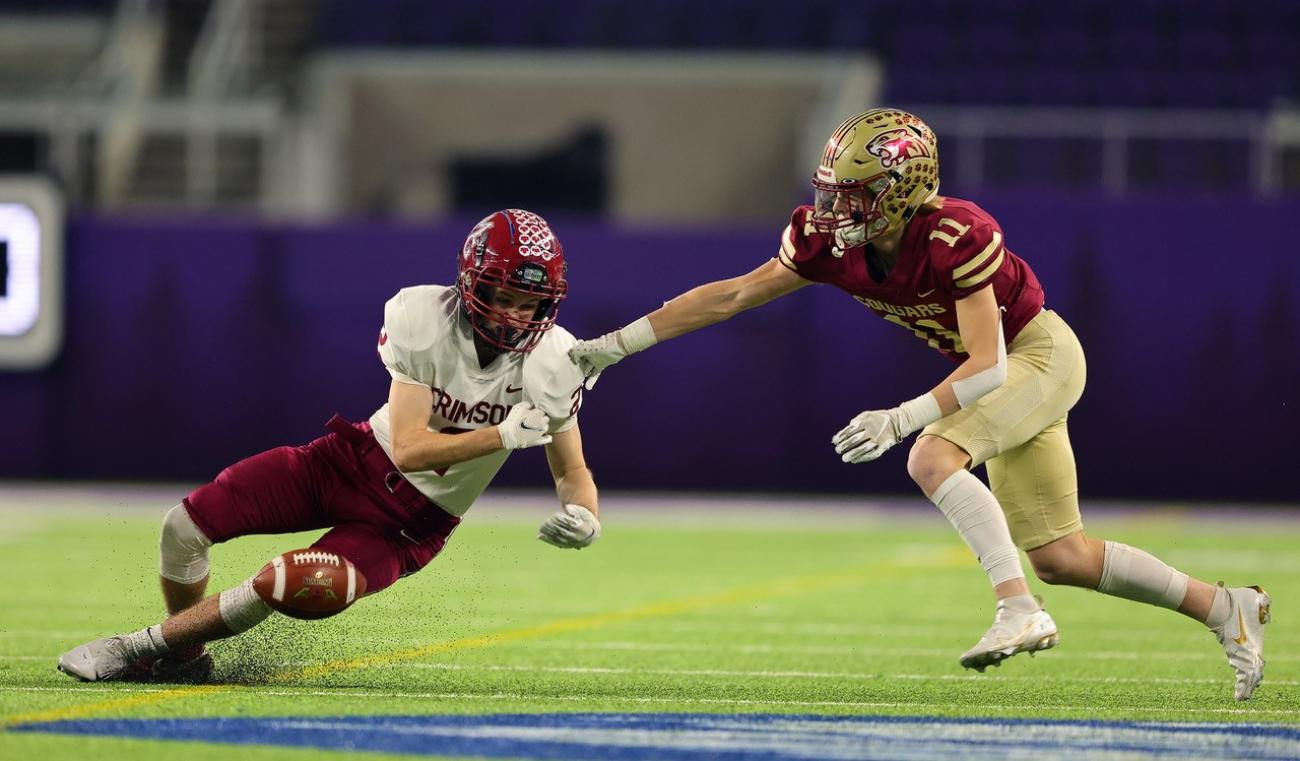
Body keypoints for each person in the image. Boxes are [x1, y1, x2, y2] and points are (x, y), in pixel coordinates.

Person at [569, 109, 1270, 700]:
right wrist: (615, 345)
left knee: (933, 454)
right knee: (1063, 554)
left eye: (855, 195)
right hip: (1002, 370)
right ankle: (1225, 607)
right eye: (835, 191)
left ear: (903, 191)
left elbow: (991, 362)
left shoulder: (954, 234)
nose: (835, 209)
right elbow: (731, 294)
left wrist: (903, 417)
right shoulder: (826, 243)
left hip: (1037, 354)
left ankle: (1017, 607)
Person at [58, 208, 602, 683]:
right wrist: (504, 434)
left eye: (531, 304)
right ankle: (187, 656)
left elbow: (571, 468)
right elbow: (410, 448)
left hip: (407, 526)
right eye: (502, 296)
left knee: (292, 581)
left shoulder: (553, 359)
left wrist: (584, 512)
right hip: (349, 464)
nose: (515, 316)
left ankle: (141, 649)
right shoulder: (424, 318)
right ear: (469, 283)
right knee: (184, 524)